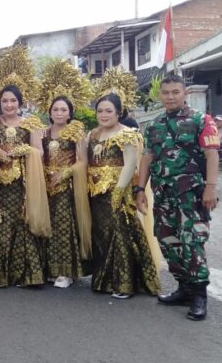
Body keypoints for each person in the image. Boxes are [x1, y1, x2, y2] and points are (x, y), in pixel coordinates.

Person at [136, 74, 220, 321]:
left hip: (191, 195)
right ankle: (184, 287)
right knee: (167, 240)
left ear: (184, 93)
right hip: (163, 195)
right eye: (166, 93)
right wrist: (140, 189)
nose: (170, 97)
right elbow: (147, 158)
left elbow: (211, 155)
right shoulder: (154, 125)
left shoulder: (200, 120)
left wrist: (211, 188)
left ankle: (199, 294)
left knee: (192, 241)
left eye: (175, 92)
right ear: (160, 95)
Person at [85, 93, 161, 299]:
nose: (103, 115)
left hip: (118, 190)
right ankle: (104, 279)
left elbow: (130, 165)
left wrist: (118, 192)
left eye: (108, 111)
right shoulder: (92, 135)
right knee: (102, 234)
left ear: (118, 113)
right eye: (100, 111)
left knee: (121, 233)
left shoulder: (127, 134)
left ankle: (125, 283)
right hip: (95, 192)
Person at [0, 85, 50, 288]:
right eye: (4, 101)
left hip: (22, 183)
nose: (9, 104)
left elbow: (39, 152)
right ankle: (1, 275)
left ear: (19, 103)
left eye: (13, 100)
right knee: (1, 224)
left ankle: (27, 275)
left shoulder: (30, 124)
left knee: (23, 224)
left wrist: (23, 150)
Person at [42, 96, 91, 288]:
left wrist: (66, 173)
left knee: (64, 227)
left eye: (63, 110)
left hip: (65, 186)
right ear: (50, 112)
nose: (59, 113)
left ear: (70, 113)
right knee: (48, 227)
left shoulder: (75, 133)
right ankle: (51, 269)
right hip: (46, 186)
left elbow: (83, 160)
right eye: (56, 110)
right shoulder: (44, 133)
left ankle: (66, 272)